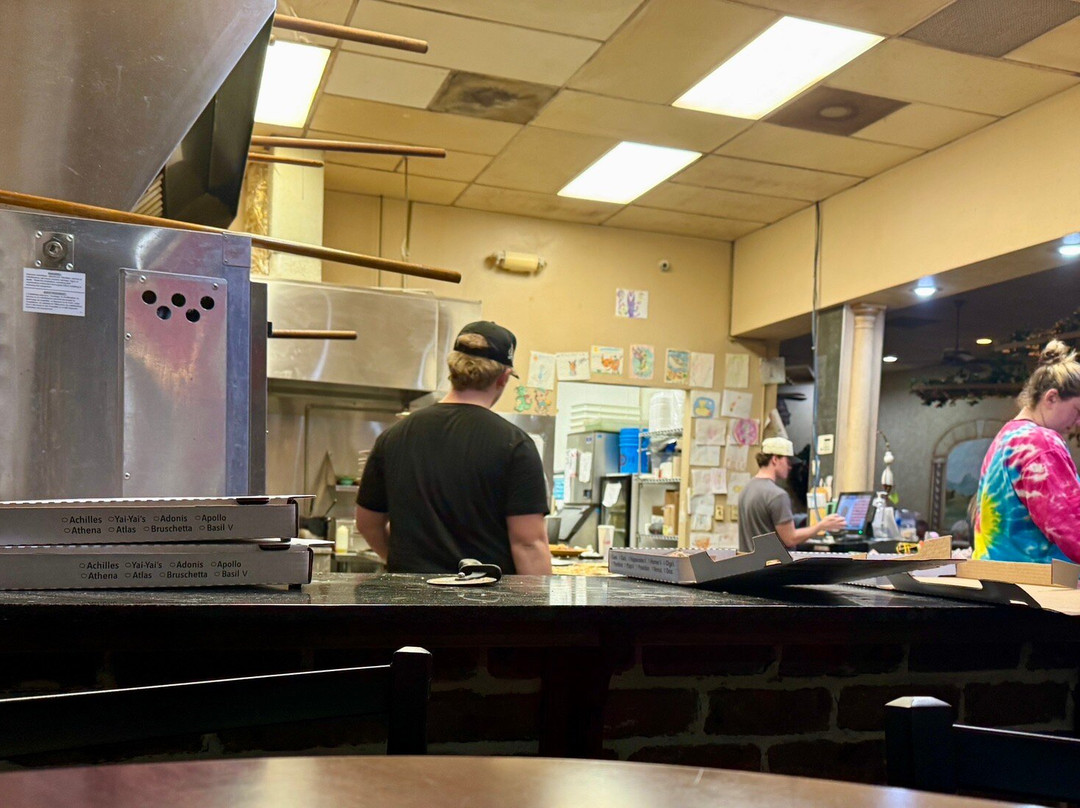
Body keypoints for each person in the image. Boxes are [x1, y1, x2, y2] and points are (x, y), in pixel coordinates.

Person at [355, 321, 552, 575]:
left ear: (453, 369)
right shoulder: (515, 445)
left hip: (408, 597)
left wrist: (404, 568)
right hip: (484, 595)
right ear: (503, 378)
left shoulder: (393, 437)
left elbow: (368, 524)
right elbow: (528, 544)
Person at [973, 339, 1080, 563]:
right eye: (1077, 411)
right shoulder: (1041, 443)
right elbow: (1071, 527)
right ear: (1051, 397)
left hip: (998, 576)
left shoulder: (1006, 438)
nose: (1078, 422)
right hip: (1035, 580)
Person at [738, 437, 846, 551]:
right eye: (788, 462)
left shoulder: (746, 490)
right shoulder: (777, 495)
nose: (790, 467)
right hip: (771, 562)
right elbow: (790, 539)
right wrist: (822, 525)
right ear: (775, 459)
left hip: (750, 561)